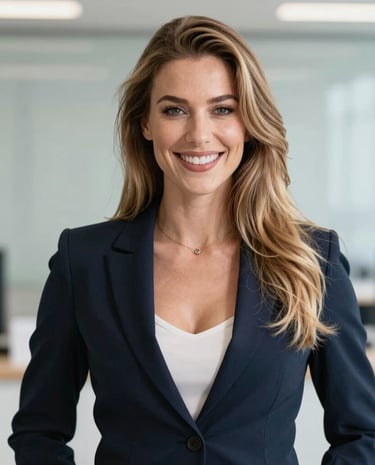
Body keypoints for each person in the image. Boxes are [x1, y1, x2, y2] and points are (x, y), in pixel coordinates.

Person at [8, 15, 375, 465]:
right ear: (146, 123)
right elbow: (39, 432)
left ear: (249, 123)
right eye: (174, 109)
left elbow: (362, 435)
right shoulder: (83, 261)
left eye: (223, 108)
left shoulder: (312, 260)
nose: (199, 134)